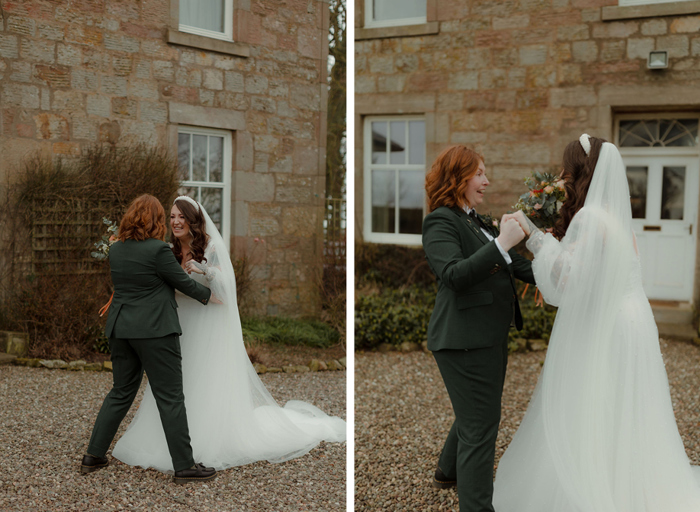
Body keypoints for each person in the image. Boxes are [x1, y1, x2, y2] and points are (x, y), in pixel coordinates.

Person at [493, 135, 700, 511]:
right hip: (633, 320)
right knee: (624, 405)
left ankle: (593, 489)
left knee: (592, 402)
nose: (562, 174)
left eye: (565, 168)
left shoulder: (590, 218)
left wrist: (535, 238)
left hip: (608, 324)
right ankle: (630, 486)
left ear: (578, 171)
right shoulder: (619, 219)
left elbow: (567, 280)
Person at [111, 195, 346, 472]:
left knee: (203, 377)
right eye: (172, 216)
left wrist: (206, 271)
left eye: (181, 217)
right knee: (174, 383)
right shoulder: (167, 249)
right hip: (175, 322)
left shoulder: (210, 246)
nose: (176, 222)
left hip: (207, 320)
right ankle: (170, 441)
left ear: (193, 220)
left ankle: (207, 439)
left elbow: (226, 288)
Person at [421, 145, 536, 512]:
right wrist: (502, 241)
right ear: (458, 177)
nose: (487, 181)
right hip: (463, 340)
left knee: (475, 412)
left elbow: (521, 267)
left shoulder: (475, 220)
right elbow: (454, 275)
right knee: (481, 425)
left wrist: (566, 272)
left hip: (488, 337)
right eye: (480, 174)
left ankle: (447, 470)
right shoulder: (441, 221)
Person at [81, 194, 217, 484]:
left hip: (120, 331)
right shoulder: (158, 251)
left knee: (120, 392)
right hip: (155, 332)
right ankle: (184, 467)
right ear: (156, 221)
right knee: (170, 398)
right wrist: (210, 296)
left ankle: (93, 455)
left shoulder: (116, 250)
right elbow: (181, 282)